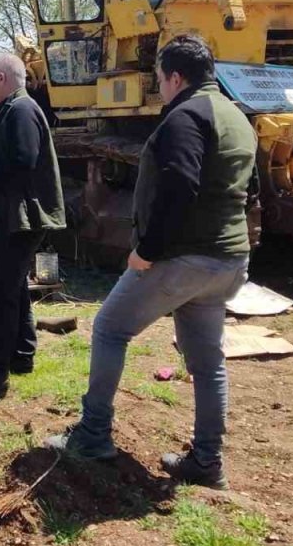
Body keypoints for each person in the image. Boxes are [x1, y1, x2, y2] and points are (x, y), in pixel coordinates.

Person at [47, 35, 256, 490]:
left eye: (160, 79)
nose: (159, 87)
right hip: (227, 261)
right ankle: (206, 462)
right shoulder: (236, 117)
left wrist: (148, 249)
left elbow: (181, 183)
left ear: (175, 77)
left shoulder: (185, 117)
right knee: (207, 362)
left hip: (183, 258)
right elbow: (252, 190)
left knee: (109, 328)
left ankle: (94, 434)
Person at [0, 53, 65, 401]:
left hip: (22, 218)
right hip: (11, 216)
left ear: (2, 78)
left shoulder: (21, 110)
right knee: (15, 286)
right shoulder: (12, 109)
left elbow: (23, 161)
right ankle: (22, 354)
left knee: (3, 294)